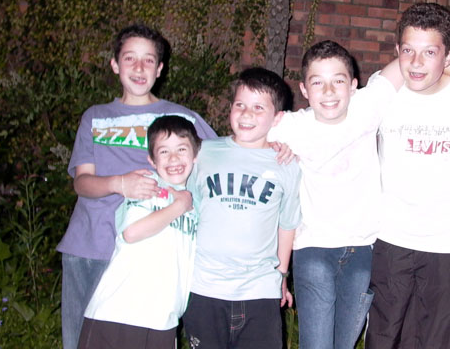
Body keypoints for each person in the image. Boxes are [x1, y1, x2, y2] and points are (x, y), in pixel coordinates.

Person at [267, 40, 450, 349]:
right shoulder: (292, 126)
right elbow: (247, 139)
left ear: (354, 85)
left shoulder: (368, 105)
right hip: (314, 249)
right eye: (318, 82)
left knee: (346, 343)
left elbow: (416, 57)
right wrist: (272, 143)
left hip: (363, 250)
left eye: (338, 81)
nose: (329, 91)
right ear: (304, 89)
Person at [57, 24, 217, 349]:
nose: (139, 68)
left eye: (148, 60)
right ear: (115, 64)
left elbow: (223, 158)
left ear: (160, 69)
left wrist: (274, 143)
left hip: (152, 253)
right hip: (91, 246)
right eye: (130, 58)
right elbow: (82, 182)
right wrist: (120, 184)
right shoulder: (95, 117)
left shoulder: (181, 117)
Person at [365, 3, 450, 349]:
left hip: (449, 240)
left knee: (444, 338)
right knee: (384, 335)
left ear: (449, 56)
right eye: (408, 50)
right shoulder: (384, 93)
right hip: (390, 236)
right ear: (397, 51)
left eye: (430, 52)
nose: (416, 62)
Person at [183, 67, 301, 349]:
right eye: (240, 105)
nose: (247, 114)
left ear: (277, 118)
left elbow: (287, 224)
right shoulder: (204, 153)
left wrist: (281, 275)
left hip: (259, 289)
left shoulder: (286, 164)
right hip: (204, 286)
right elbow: (188, 209)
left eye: (259, 108)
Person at [78, 115, 202, 349]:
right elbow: (132, 232)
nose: (173, 158)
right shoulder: (148, 186)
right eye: (164, 151)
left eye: (182, 149)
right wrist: (179, 206)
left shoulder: (195, 202)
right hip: (119, 314)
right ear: (152, 160)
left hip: (163, 319)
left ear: (195, 154)